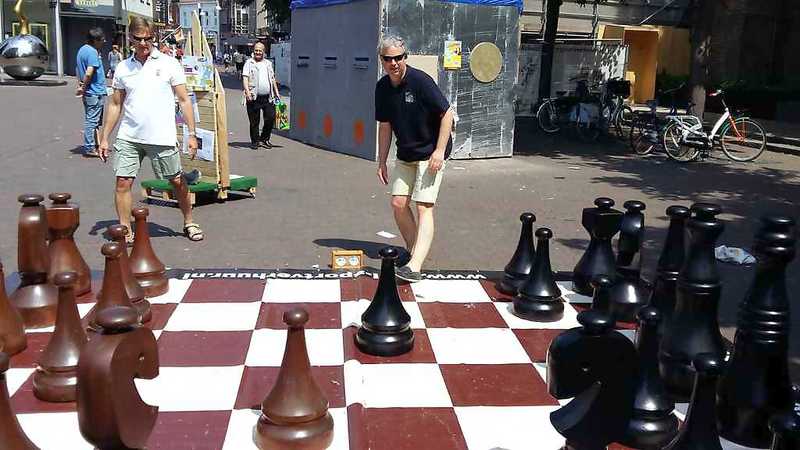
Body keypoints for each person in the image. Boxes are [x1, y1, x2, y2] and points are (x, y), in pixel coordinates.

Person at [98, 17, 204, 243]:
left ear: (153, 37)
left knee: (176, 181)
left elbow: (184, 100)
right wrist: (104, 137)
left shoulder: (169, 64)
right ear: (130, 38)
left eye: (148, 39)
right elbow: (115, 104)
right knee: (122, 182)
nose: (144, 43)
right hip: (129, 136)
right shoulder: (123, 68)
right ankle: (125, 230)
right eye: (139, 39)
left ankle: (189, 221)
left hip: (161, 136)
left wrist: (192, 134)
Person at [374, 35, 454, 283]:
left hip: (430, 152)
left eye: (398, 58)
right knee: (398, 203)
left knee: (423, 206)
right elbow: (385, 126)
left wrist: (439, 151)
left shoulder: (421, 82)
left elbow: (447, 114)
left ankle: (415, 267)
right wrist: (381, 160)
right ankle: (413, 250)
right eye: (388, 59)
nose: (394, 63)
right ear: (382, 60)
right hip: (406, 153)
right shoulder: (382, 88)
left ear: (405, 57)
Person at [242, 42, 281, 149]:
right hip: (253, 96)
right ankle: (255, 141)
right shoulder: (249, 63)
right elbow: (245, 78)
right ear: (253, 51)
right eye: (256, 50)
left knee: (271, 118)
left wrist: (276, 93)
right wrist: (247, 92)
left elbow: (272, 79)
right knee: (254, 121)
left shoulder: (268, 63)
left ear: (264, 52)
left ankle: (264, 139)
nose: (258, 52)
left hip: (268, 97)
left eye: (260, 50)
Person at [76, 27, 107, 158]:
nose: (104, 42)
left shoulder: (82, 50)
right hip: (94, 92)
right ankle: (89, 147)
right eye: (102, 39)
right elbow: (89, 72)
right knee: (92, 121)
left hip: (90, 92)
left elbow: (78, 69)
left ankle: (96, 145)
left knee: (94, 121)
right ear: (95, 40)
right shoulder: (92, 52)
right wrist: (83, 86)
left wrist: (80, 85)